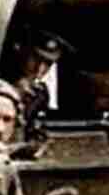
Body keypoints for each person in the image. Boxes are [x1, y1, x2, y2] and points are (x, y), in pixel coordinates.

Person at [7, 30, 68, 159]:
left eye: (48, 64)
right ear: (23, 54)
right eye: (35, 59)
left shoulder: (40, 94)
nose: (40, 69)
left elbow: (36, 131)